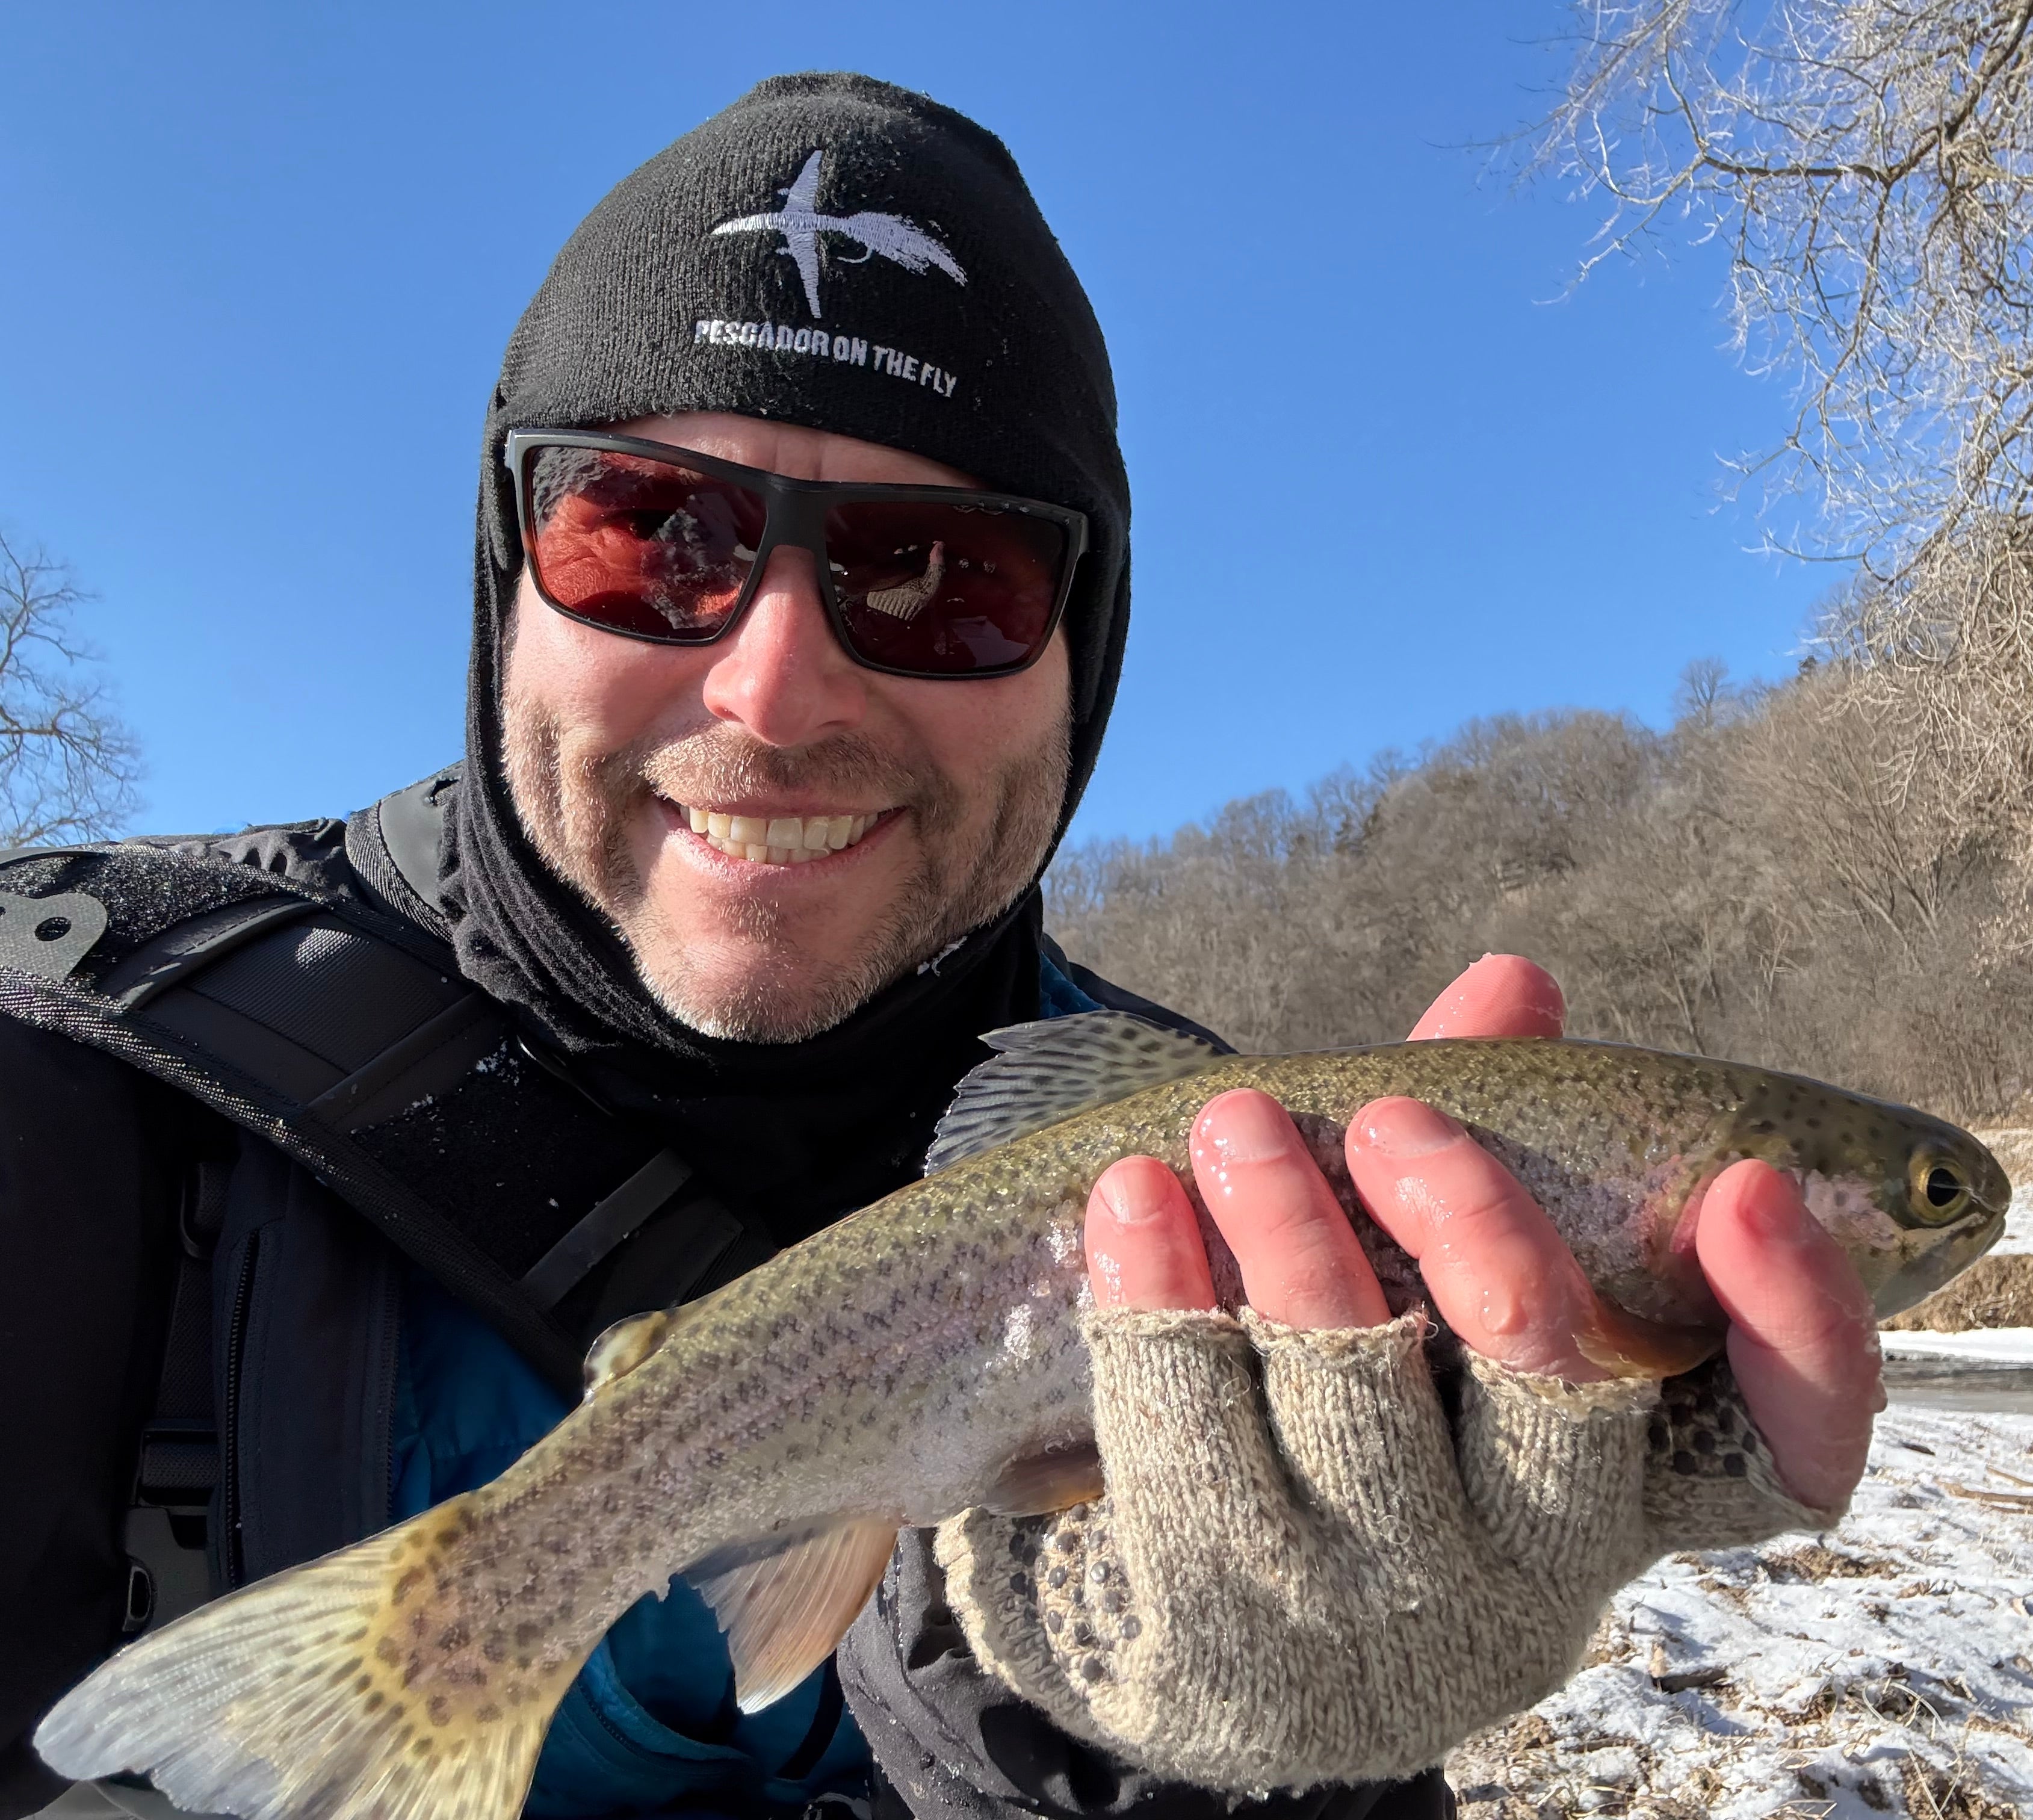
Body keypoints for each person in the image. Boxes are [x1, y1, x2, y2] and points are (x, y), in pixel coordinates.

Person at [0, 72, 1881, 1820]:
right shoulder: (64, 1067)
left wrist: (1240, 1771)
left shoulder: (1235, 1185)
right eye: (654, 532)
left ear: (1086, 663)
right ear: (504, 578)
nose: (774, 679)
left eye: (940, 576)